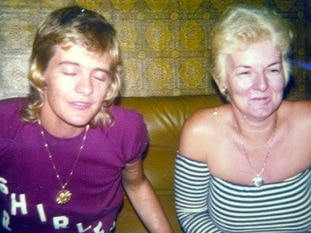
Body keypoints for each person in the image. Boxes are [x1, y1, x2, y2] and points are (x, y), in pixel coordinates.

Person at [0, 5, 173, 233]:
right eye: (70, 71)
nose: (86, 88)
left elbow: (136, 184)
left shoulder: (127, 129)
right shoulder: (5, 125)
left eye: (99, 76)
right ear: (41, 73)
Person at [174, 4, 311, 233]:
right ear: (222, 80)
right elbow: (191, 213)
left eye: (273, 70)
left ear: (285, 74)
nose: (262, 85)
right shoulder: (200, 134)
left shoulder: (308, 124)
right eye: (245, 72)